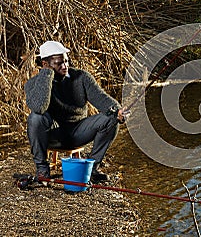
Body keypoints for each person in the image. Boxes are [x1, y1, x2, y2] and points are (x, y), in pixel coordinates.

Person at [24, 41, 125, 182]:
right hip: (52, 135)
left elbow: (101, 98)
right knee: (35, 118)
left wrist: (117, 110)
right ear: (45, 64)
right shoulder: (33, 83)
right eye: (58, 63)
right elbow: (39, 107)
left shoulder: (81, 77)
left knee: (112, 117)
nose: (65, 66)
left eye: (66, 61)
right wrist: (47, 75)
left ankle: (91, 168)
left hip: (78, 131)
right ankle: (42, 170)